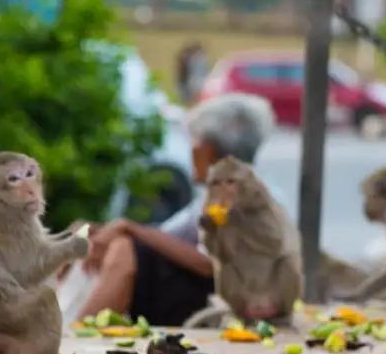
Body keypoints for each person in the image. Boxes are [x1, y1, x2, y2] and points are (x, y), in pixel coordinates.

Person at [60, 93, 288, 326]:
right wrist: (99, 233)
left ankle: (76, 334)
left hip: (220, 300)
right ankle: (60, 324)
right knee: (95, 238)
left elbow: (211, 265)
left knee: (124, 248)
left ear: (207, 150)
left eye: (194, 145)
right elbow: (163, 238)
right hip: (194, 290)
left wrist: (129, 229)